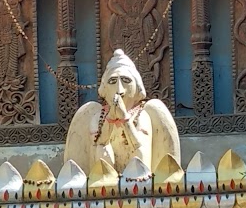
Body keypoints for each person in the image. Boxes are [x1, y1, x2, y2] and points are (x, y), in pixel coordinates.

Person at [63, 49, 180, 178]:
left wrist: (125, 119)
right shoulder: (98, 116)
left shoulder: (143, 114)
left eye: (126, 81)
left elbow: (140, 148)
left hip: (139, 180)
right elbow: (99, 146)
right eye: (112, 81)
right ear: (104, 89)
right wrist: (111, 119)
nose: (119, 90)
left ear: (137, 87)